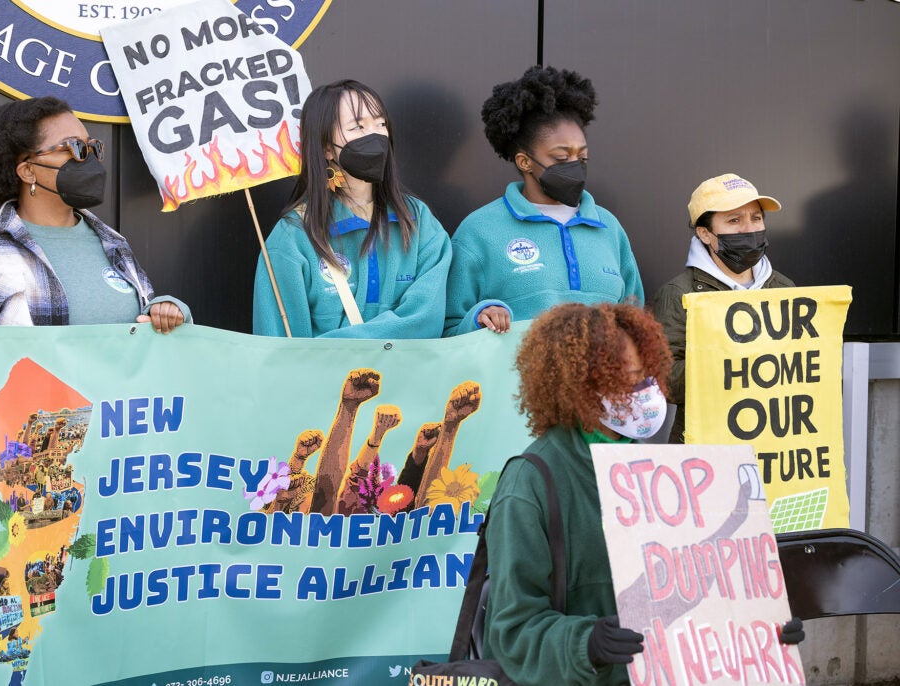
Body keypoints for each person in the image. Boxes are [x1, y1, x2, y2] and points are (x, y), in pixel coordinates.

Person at [482, 303, 803, 685]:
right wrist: (584, 644)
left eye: (647, 376)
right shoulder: (531, 483)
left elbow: (697, 587)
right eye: (626, 379)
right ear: (581, 386)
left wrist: (761, 629)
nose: (644, 391)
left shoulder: (659, 471)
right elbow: (510, 632)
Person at [0, 97, 189, 342]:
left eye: (91, 146)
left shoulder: (113, 242)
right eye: (74, 147)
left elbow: (148, 335)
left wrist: (166, 311)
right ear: (28, 171)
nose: (86, 158)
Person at [444, 66, 643, 336]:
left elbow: (636, 323)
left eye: (582, 158)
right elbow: (449, 328)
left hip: (603, 379)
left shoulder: (608, 227)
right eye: (561, 158)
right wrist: (479, 319)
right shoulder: (479, 231)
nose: (574, 166)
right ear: (525, 162)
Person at [252, 79, 451, 338]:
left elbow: (426, 319)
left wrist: (335, 348)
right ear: (326, 148)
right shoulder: (293, 236)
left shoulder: (419, 219)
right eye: (358, 126)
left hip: (409, 377)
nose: (376, 135)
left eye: (381, 124)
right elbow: (282, 350)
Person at [651, 173, 795, 443]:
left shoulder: (785, 288)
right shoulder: (679, 293)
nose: (749, 229)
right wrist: (731, 365)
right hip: (707, 446)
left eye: (756, 218)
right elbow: (663, 379)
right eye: (734, 220)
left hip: (774, 446)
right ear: (705, 234)